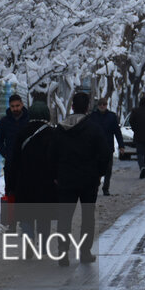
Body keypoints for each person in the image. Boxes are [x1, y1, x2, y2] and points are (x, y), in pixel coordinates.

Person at [53, 90, 112, 265]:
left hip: (65, 181)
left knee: (64, 217)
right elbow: (105, 153)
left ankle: (63, 253)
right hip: (88, 181)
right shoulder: (94, 129)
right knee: (88, 216)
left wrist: (56, 175)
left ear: (72, 107)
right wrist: (99, 173)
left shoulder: (60, 129)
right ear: (87, 108)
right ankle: (84, 252)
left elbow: (51, 154)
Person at [12, 97, 57, 251]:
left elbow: (14, 160)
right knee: (44, 215)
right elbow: (56, 159)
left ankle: (29, 239)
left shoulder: (22, 133)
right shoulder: (53, 134)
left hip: (25, 182)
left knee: (26, 215)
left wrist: (11, 184)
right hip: (46, 183)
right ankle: (44, 245)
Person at [91, 95, 124, 196]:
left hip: (108, 147)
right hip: (95, 148)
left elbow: (117, 132)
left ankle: (106, 188)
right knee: (96, 169)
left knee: (108, 169)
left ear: (106, 105)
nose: (102, 106)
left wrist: (121, 145)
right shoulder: (92, 116)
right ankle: (95, 186)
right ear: (98, 106)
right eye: (100, 104)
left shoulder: (112, 116)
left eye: (104, 104)